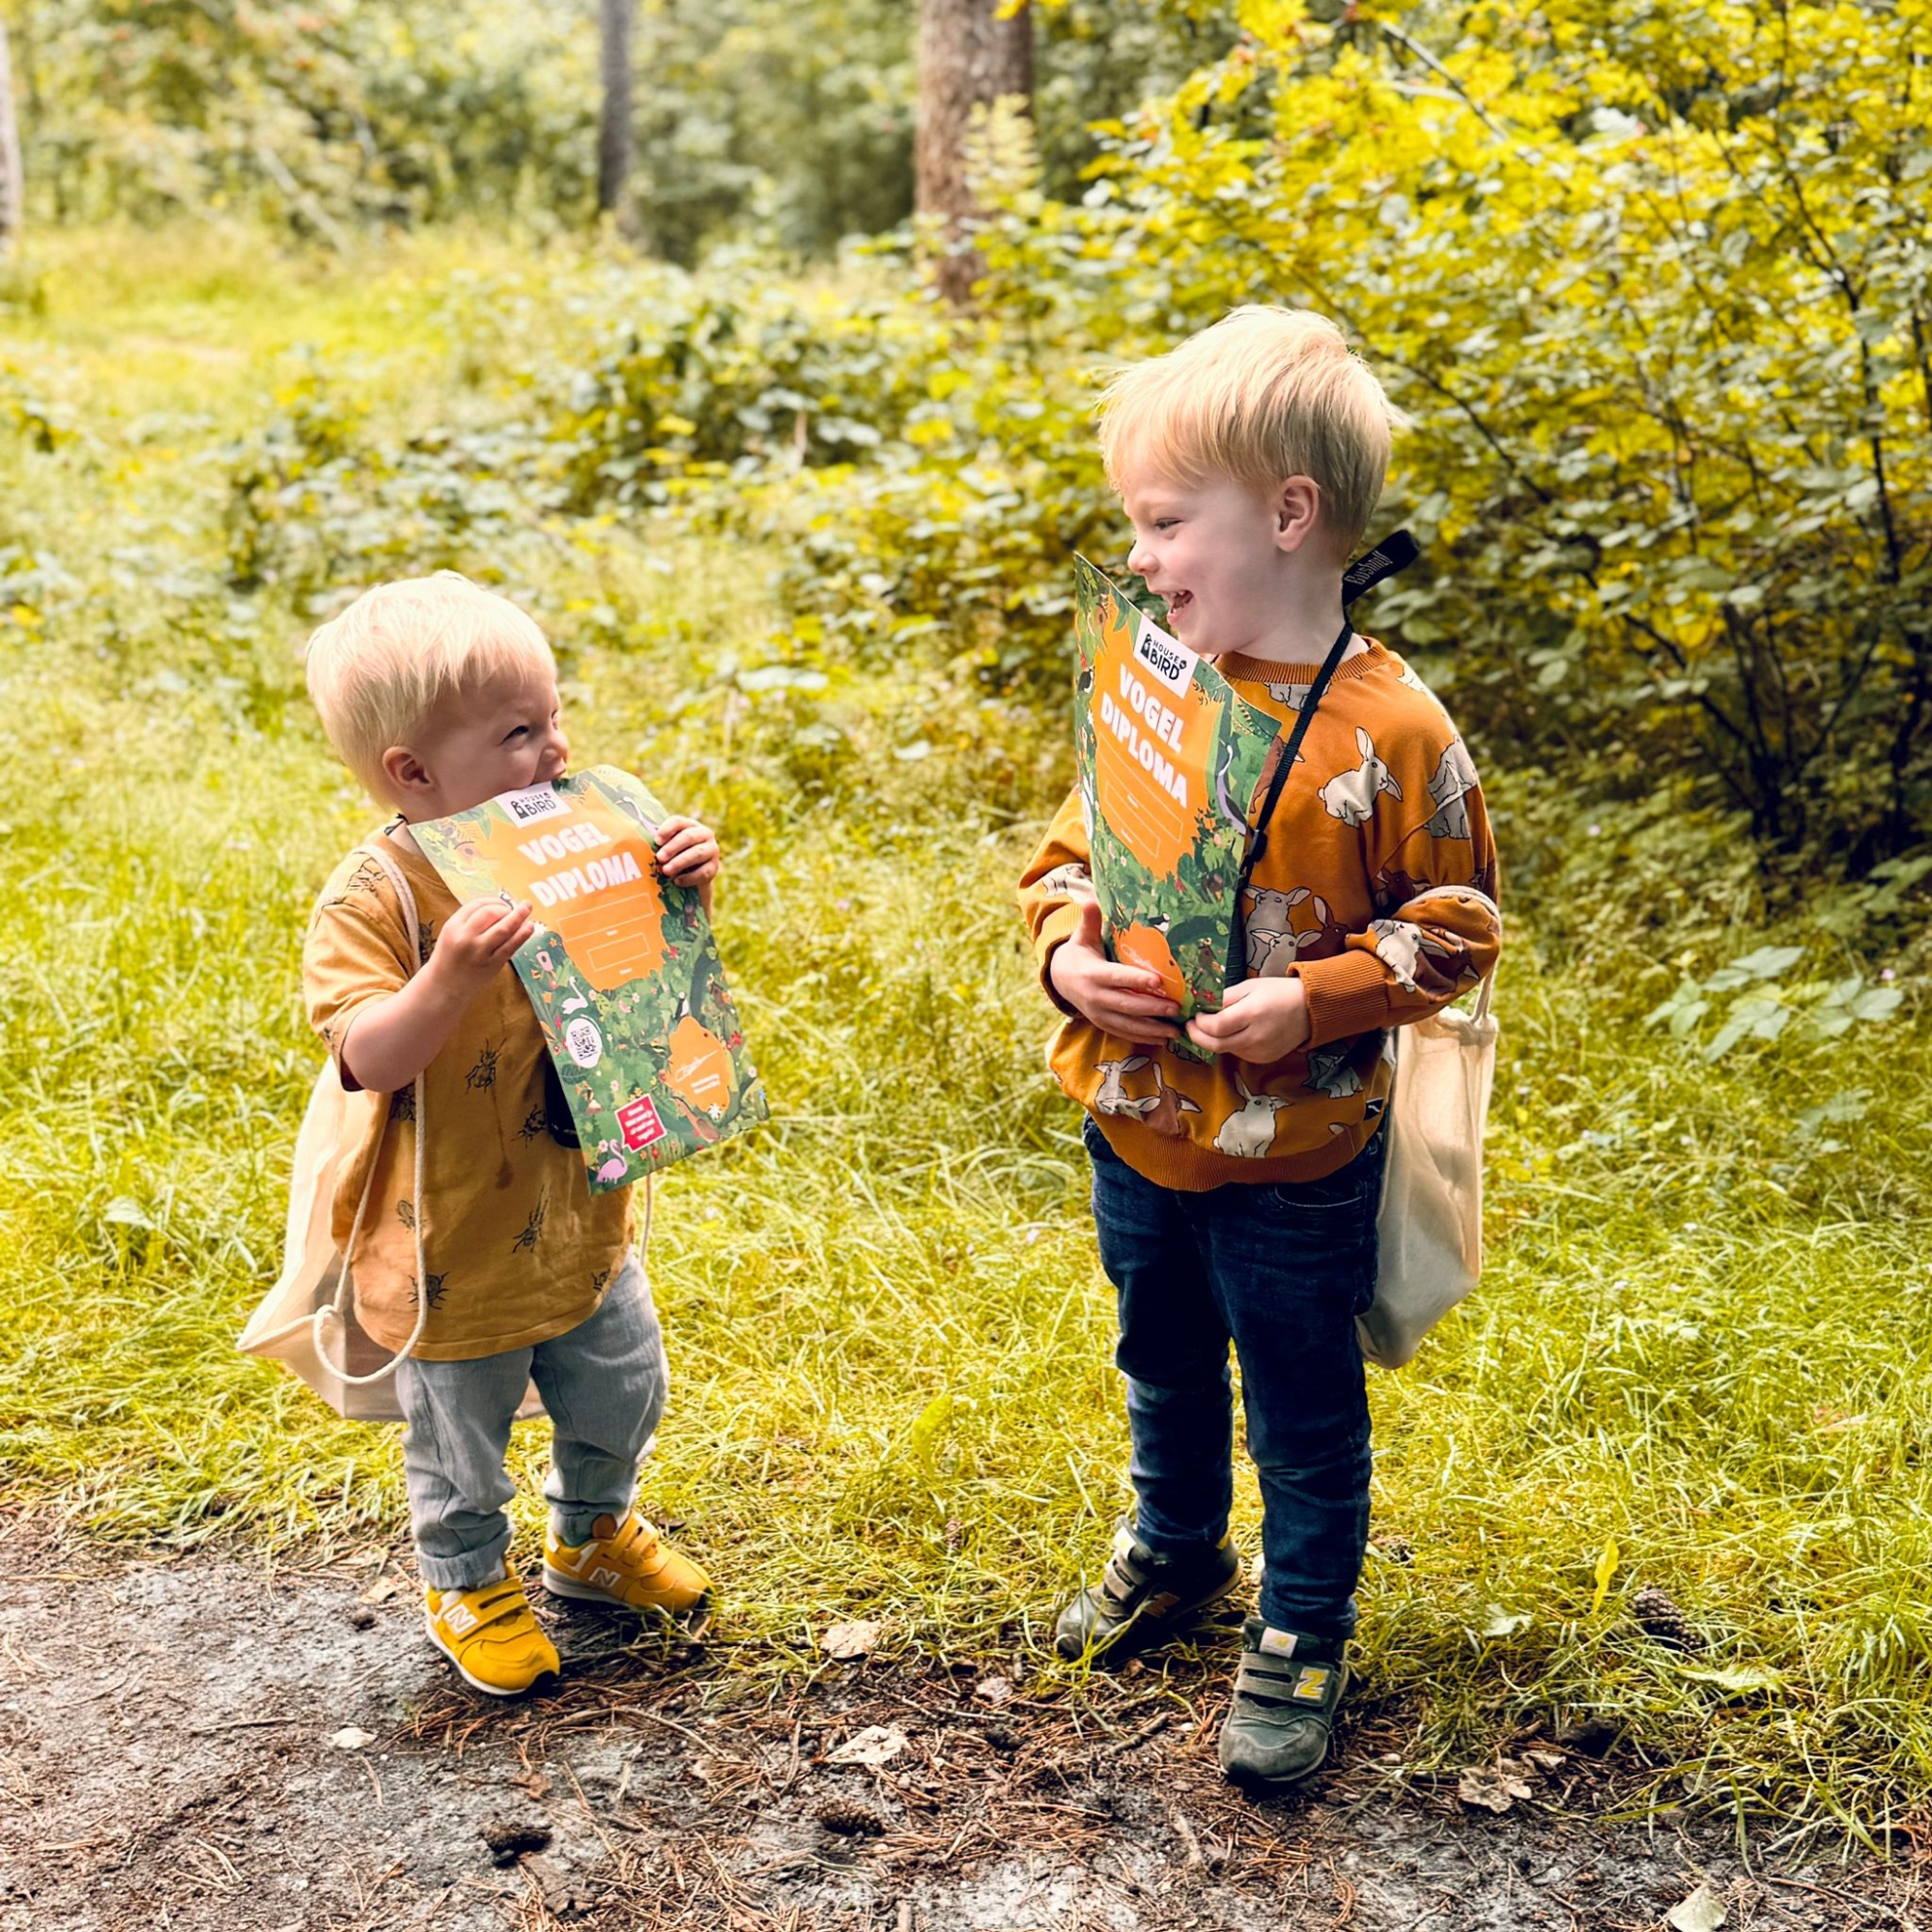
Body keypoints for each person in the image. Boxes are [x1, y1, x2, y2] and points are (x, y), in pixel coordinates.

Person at [1017, 307, 1501, 1787]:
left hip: (1298, 1158)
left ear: (1290, 516)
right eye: (1137, 528)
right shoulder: (1160, 683)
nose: (1142, 559)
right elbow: (1068, 856)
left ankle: (1302, 1627)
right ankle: (1176, 1547)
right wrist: (1068, 959)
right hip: (1138, 1123)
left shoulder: (1396, 734)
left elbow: (1460, 927)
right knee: (1159, 1355)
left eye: (1167, 524)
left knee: (1300, 1400)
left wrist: (1321, 998)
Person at [301, 572, 717, 1697]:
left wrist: (678, 882)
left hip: (578, 1205)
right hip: (448, 1238)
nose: (556, 748)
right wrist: (446, 974)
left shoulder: (566, 837)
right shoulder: (374, 898)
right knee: (459, 1435)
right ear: (413, 772)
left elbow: (642, 973)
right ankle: (467, 1577)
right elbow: (364, 1055)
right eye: (518, 733)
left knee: (623, 1384)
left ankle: (591, 1533)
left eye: (553, 715)